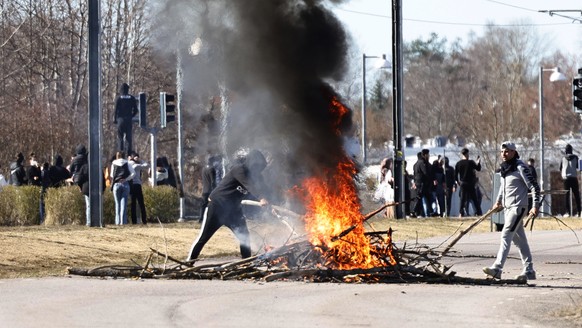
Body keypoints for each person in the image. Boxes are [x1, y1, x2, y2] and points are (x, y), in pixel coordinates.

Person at [187, 150, 270, 262]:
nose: (258, 170)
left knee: (244, 236)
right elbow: (249, 186)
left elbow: (264, 190)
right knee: (204, 238)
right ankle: (190, 261)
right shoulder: (239, 169)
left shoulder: (256, 177)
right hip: (217, 207)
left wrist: (270, 204)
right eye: (256, 166)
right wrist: (261, 198)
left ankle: (246, 264)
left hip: (234, 211)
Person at [483, 141, 540, 281]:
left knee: (505, 234)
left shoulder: (520, 167)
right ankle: (529, 270)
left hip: (518, 207)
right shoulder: (504, 169)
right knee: (520, 240)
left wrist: (535, 205)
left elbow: (534, 187)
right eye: (502, 152)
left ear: (514, 152)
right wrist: (498, 202)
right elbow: (503, 189)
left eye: (507, 151)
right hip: (508, 208)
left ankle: (497, 268)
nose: (504, 154)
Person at [455, 148, 482, 217]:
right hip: (470, 183)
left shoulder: (458, 163)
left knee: (462, 199)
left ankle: (461, 213)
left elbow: (455, 174)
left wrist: (457, 181)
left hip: (463, 183)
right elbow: (478, 169)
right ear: (467, 154)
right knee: (474, 198)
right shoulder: (471, 162)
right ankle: (478, 212)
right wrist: (478, 162)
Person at [110, 151, 135, 225]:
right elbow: (133, 173)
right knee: (123, 204)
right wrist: (126, 179)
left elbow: (112, 175)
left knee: (117, 204)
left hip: (116, 184)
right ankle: (123, 222)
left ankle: (117, 222)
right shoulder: (127, 163)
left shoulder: (114, 163)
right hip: (125, 184)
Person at [113, 83, 138, 154]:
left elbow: (115, 110)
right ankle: (129, 153)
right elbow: (136, 110)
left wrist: (115, 119)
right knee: (128, 138)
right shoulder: (132, 98)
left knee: (120, 137)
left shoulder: (118, 98)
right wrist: (131, 116)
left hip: (120, 120)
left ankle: (120, 153)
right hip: (128, 120)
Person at [69, 145, 90, 226]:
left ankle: (88, 221)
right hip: (85, 178)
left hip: (77, 178)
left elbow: (71, 169)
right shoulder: (86, 159)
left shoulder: (75, 159)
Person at [199, 155, 223, 223]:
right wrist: (215, 190)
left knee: (203, 205)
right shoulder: (211, 169)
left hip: (204, 190)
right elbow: (213, 181)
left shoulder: (203, 168)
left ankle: (201, 218)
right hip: (210, 191)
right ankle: (213, 218)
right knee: (213, 205)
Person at [560, 144, 581, 217]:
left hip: (566, 179)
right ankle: (579, 212)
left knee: (567, 196)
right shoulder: (575, 157)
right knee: (577, 195)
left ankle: (567, 212)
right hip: (574, 178)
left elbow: (560, 168)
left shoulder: (563, 158)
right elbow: (578, 167)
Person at [129, 152, 149, 225]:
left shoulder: (128, 164)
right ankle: (144, 220)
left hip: (131, 185)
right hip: (136, 185)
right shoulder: (135, 165)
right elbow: (146, 165)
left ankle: (134, 221)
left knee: (133, 203)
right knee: (141, 203)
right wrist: (141, 161)